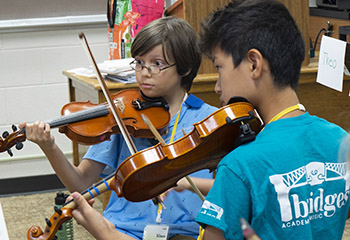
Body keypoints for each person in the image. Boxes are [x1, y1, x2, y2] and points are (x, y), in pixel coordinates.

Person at [21, 16, 217, 240]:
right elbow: (81, 182)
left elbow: (232, 186)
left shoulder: (208, 120)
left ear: (185, 68)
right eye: (139, 62)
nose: (144, 72)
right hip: (121, 230)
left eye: (157, 64)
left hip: (183, 233)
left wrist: (182, 182)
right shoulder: (123, 117)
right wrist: (49, 147)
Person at [195, 0, 350, 239]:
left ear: (254, 64)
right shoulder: (341, 140)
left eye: (219, 67)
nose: (217, 87)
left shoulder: (238, 166)